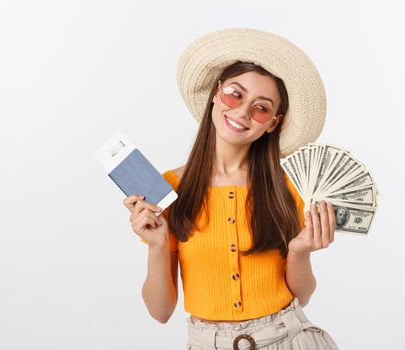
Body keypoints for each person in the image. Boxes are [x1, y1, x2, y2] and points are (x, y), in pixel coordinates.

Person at [123, 28, 339, 350]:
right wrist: (156, 247)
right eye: (234, 94)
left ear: (272, 123)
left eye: (261, 108)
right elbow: (160, 311)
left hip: (290, 338)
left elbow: (302, 296)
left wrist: (300, 251)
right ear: (215, 92)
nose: (241, 112)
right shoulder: (168, 189)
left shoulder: (289, 188)